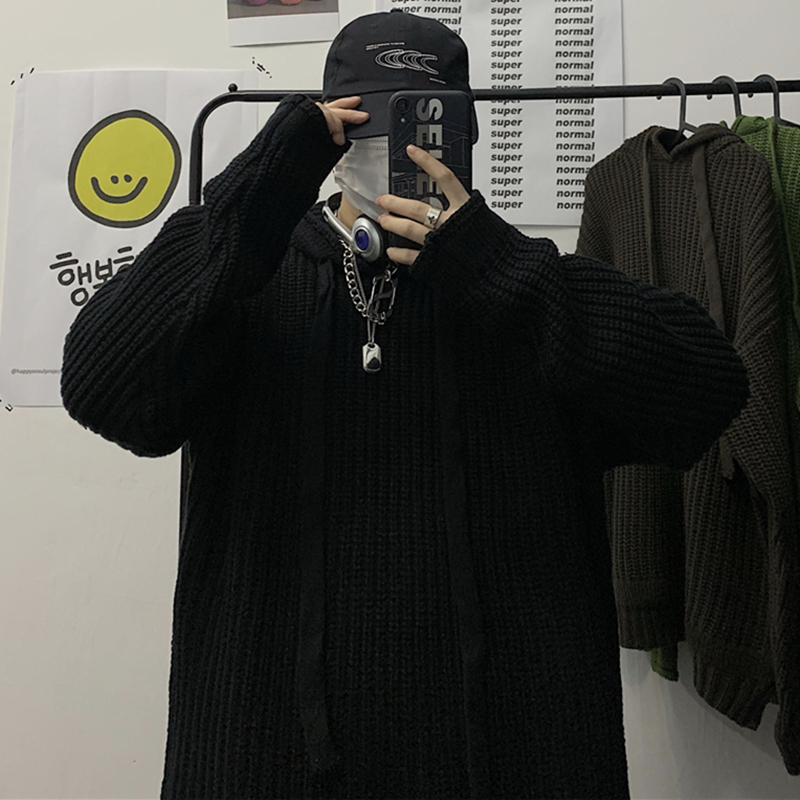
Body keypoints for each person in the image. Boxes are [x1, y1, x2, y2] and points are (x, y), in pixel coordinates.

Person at [60, 10, 749, 800]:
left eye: (424, 124)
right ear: (326, 135)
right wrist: (258, 195)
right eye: (368, 124)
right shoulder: (243, 291)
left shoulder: (526, 297)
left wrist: (494, 266)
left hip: (514, 761)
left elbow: (710, 391)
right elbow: (101, 385)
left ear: (465, 137)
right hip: (264, 757)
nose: (397, 148)